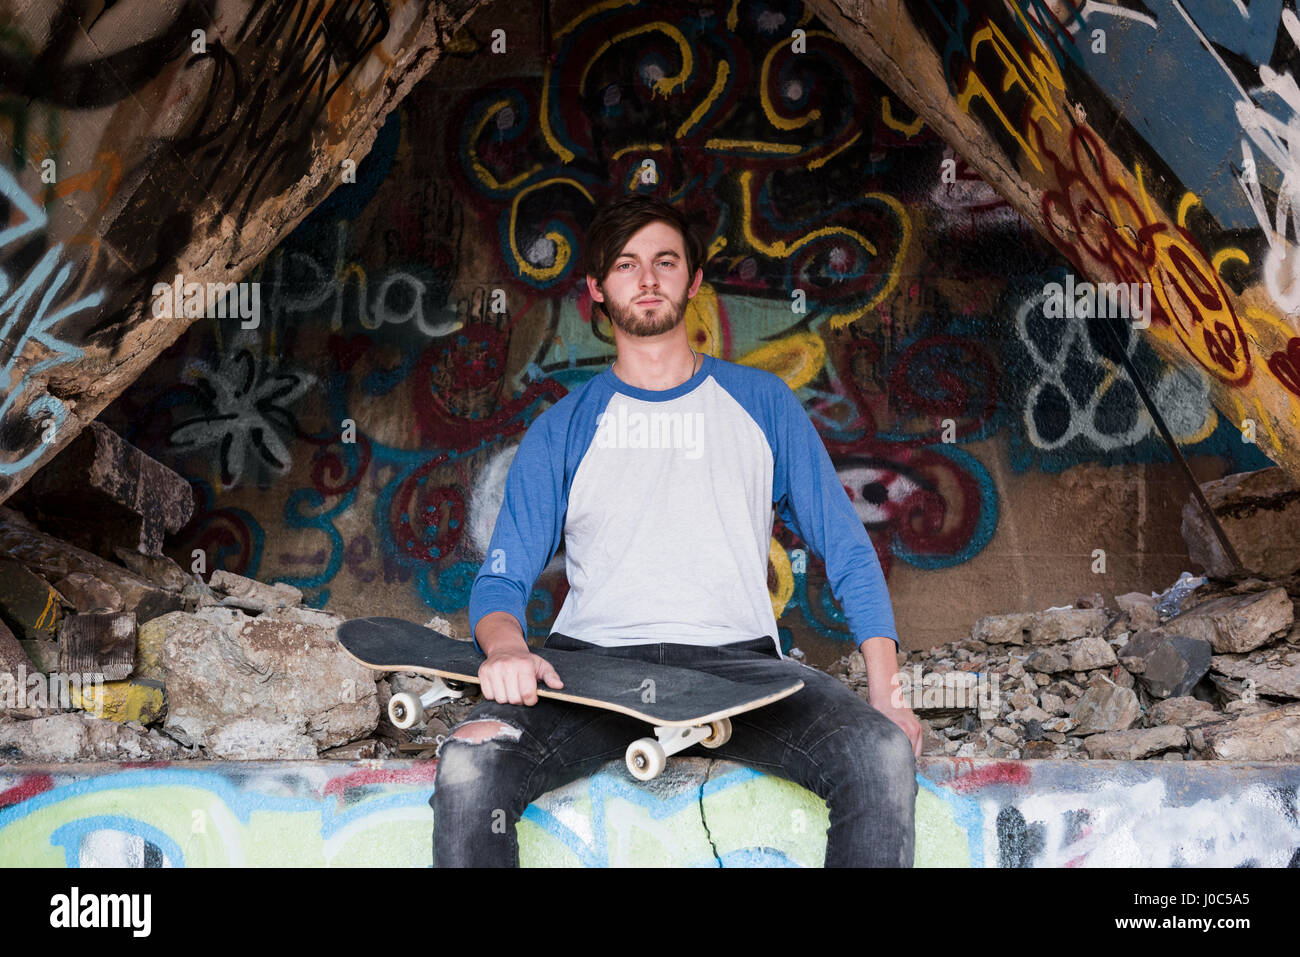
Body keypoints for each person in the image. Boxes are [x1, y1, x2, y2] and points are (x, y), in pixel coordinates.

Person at [430, 194, 920, 867]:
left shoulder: (763, 403)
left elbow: (848, 551)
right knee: (468, 762)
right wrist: (507, 648)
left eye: (666, 261)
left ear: (693, 282)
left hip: (743, 674)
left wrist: (888, 696)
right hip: (592, 675)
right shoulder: (564, 428)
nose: (649, 277)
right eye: (627, 265)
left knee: (882, 753)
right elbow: (502, 579)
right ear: (598, 289)